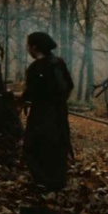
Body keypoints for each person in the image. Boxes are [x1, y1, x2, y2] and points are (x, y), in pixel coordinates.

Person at [18, 31, 74, 192]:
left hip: (41, 113)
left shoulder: (35, 68)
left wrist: (13, 96)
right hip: (60, 113)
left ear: (34, 47)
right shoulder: (59, 63)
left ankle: (43, 182)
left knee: (33, 147)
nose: (27, 49)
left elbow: (29, 94)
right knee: (57, 145)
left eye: (28, 46)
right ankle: (57, 182)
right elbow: (68, 87)